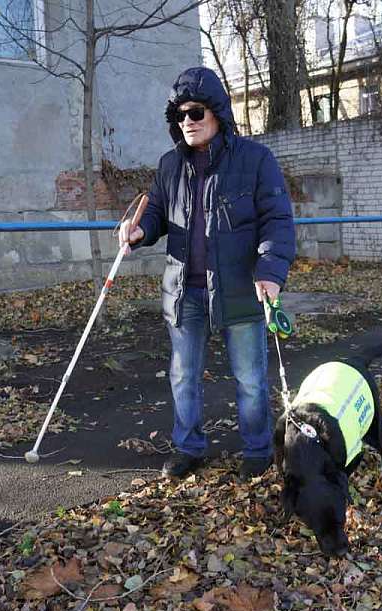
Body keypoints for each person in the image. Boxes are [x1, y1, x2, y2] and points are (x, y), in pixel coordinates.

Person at [118, 67, 296, 481]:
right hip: (184, 292)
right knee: (183, 375)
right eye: (180, 115)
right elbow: (159, 213)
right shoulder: (169, 165)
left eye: (195, 112)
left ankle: (256, 449)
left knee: (251, 379)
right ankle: (188, 448)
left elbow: (278, 221)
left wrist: (270, 270)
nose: (188, 122)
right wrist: (140, 230)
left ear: (217, 112)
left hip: (240, 290)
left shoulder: (256, 160)